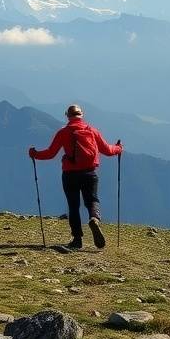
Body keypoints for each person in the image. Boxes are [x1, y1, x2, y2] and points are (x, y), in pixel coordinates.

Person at [29, 104, 122, 249]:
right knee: (92, 200)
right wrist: (119, 148)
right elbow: (108, 150)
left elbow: (50, 153)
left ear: (67, 116)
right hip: (89, 173)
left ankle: (77, 240)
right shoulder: (92, 131)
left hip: (69, 175)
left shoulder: (63, 132)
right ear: (82, 114)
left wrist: (34, 154)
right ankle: (94, 219)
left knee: (73, 206)